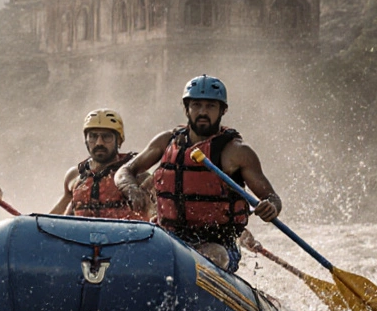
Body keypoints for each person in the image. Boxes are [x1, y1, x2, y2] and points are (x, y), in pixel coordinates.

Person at [114, 74, 281, 272]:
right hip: (168, 236)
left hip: (220, 244)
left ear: (223, 110)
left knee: (214, 256)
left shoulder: (237, 152)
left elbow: (271, 197)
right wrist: (131, 188)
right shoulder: (166, 141)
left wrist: (271, 207)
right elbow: (125, 171)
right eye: (196, 105)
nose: (203, 112)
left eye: (210, 106)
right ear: (187, 109)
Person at [49, 109, 150, 220]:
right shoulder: (75, 176)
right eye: (93, 136)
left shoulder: (135, 175)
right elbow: (53, 218)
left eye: (106, 137)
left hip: (125, 236)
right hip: (80, 236)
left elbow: (156, 214)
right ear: (86, 140)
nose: (99, 143)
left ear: (119, 140)